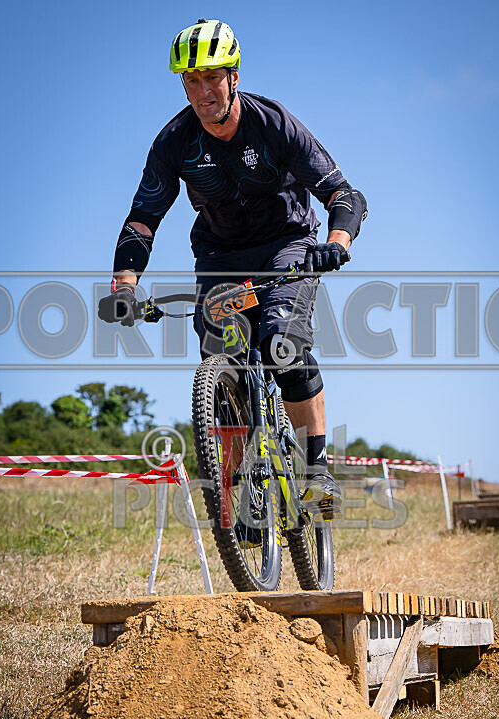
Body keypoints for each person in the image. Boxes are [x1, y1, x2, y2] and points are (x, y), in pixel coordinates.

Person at [98, 19, 367, 518]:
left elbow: (344, 194)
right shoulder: (174, 142)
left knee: (281, 342)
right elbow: (143, 217)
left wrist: (336, 241)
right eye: (191, 80)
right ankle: (240, 498)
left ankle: (316, 470)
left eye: (212, 77)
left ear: (234, 75)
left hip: (287, 246)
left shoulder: (273, 124)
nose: (203, 90)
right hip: (221, 258)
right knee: (226, 359)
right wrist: (125, 286)